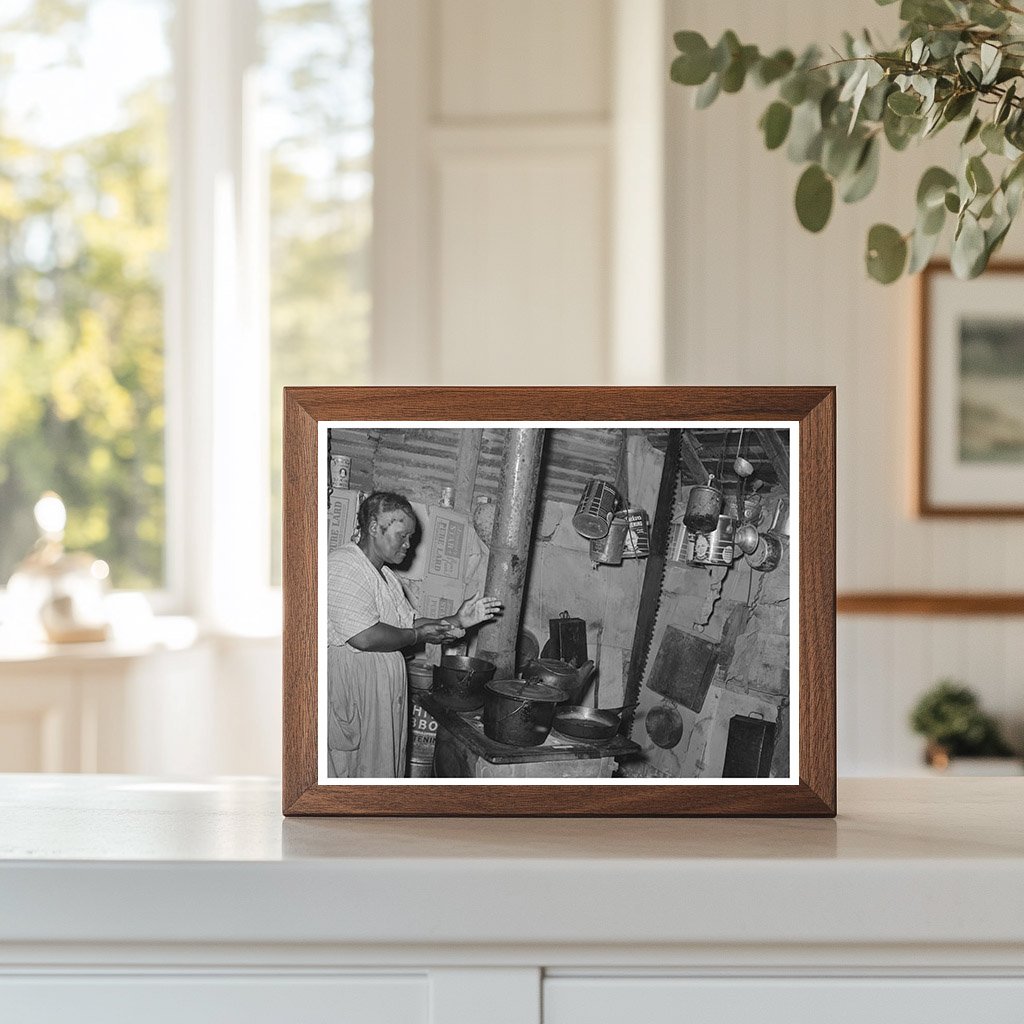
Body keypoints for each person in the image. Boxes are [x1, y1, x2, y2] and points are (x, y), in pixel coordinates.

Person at [327, 491, 502, 778]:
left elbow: (413, 622)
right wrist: (415, 636)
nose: (409, 545)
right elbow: (365, 637)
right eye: (402, 535)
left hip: (378, 698)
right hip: (353, 694)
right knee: (349, 774)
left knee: (377, 774)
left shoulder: (386, 577)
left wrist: (459, 619)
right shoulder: (344, 566)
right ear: (374, 527)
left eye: (410, 537)